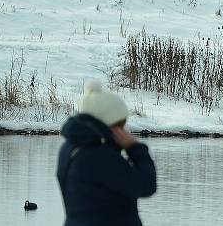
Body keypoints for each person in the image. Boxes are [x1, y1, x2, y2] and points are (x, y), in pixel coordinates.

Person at [57, 79, 157, 226]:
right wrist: (135, 148)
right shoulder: (100, 157)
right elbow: (146, 185)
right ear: (110, 124)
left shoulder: (70, 147)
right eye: (121, 124)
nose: (124, 130)